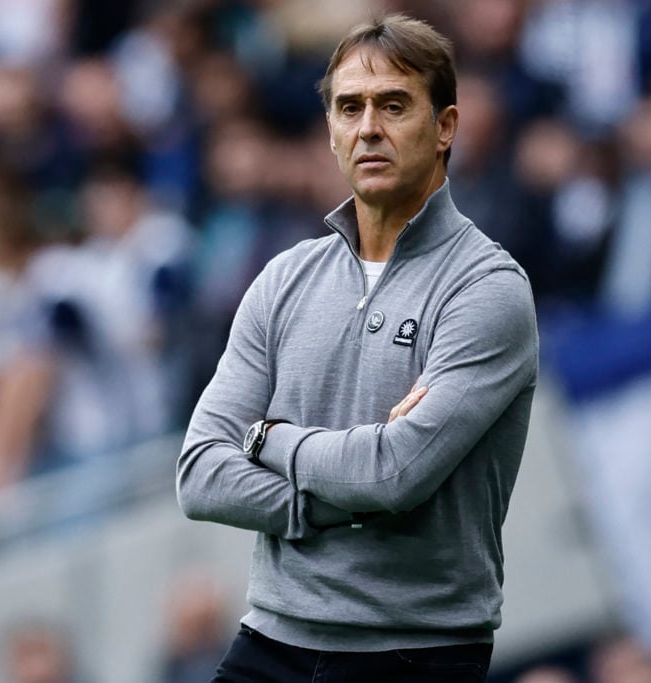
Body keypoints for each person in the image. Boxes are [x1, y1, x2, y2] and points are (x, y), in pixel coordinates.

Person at [176, 13, 538, 682]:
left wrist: (265, 438)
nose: (368, 125)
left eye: (394, 104)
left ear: (446, 127)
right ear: (332, 132)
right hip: (271, 638)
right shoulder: (284, 277)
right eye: (350, 107)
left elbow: (395, 475)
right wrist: (335, 492)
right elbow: (199, 472)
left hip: (413, 650)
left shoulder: (487, 288)